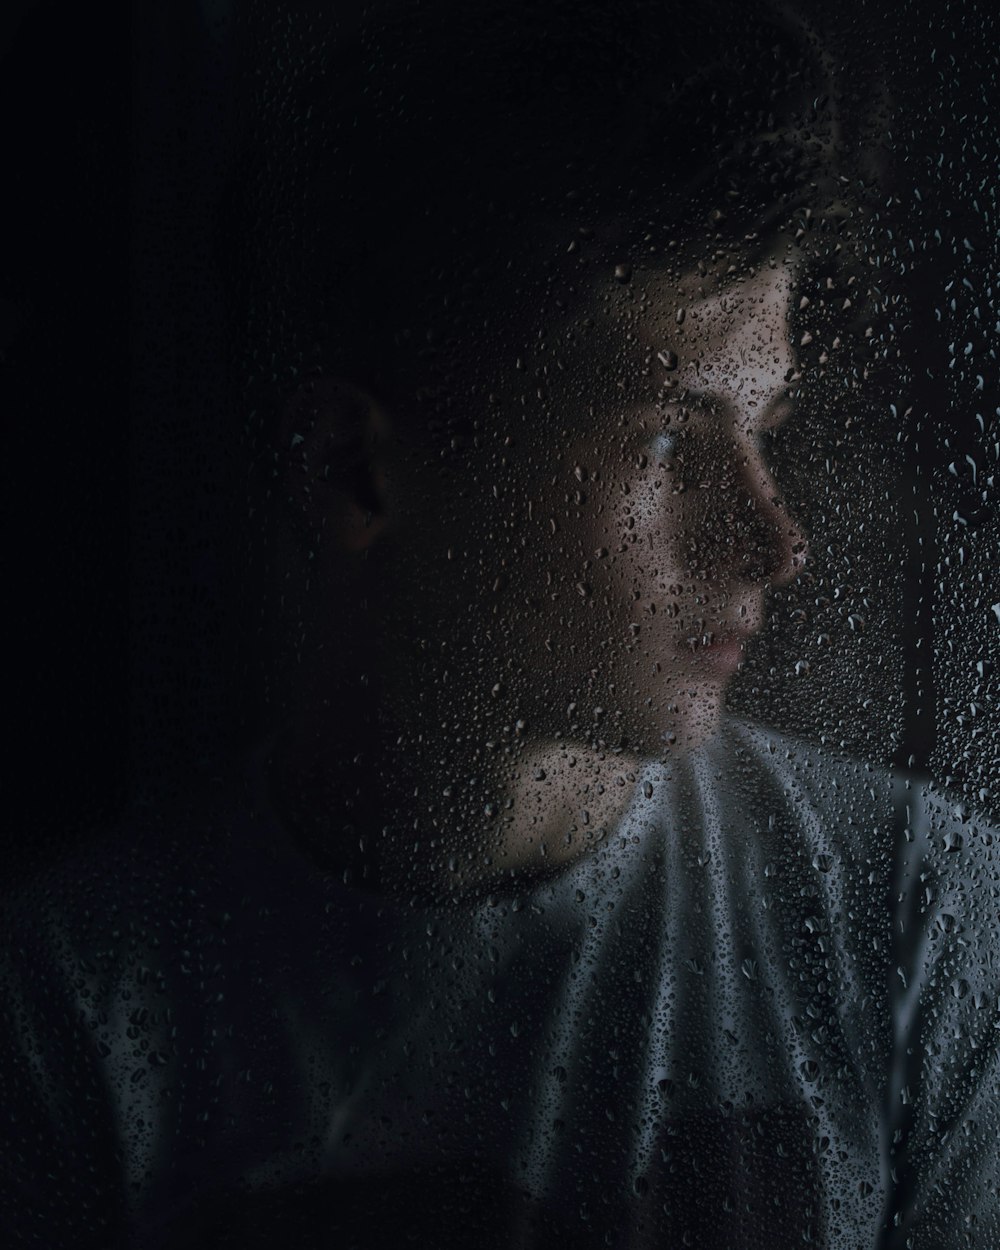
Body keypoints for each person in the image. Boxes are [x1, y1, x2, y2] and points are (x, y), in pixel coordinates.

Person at [3, 2, 998, 1247]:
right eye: (664, 438)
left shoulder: (919, 914)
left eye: (764, 426)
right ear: (356, 472)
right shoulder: (72, 1014)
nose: (773, 542)